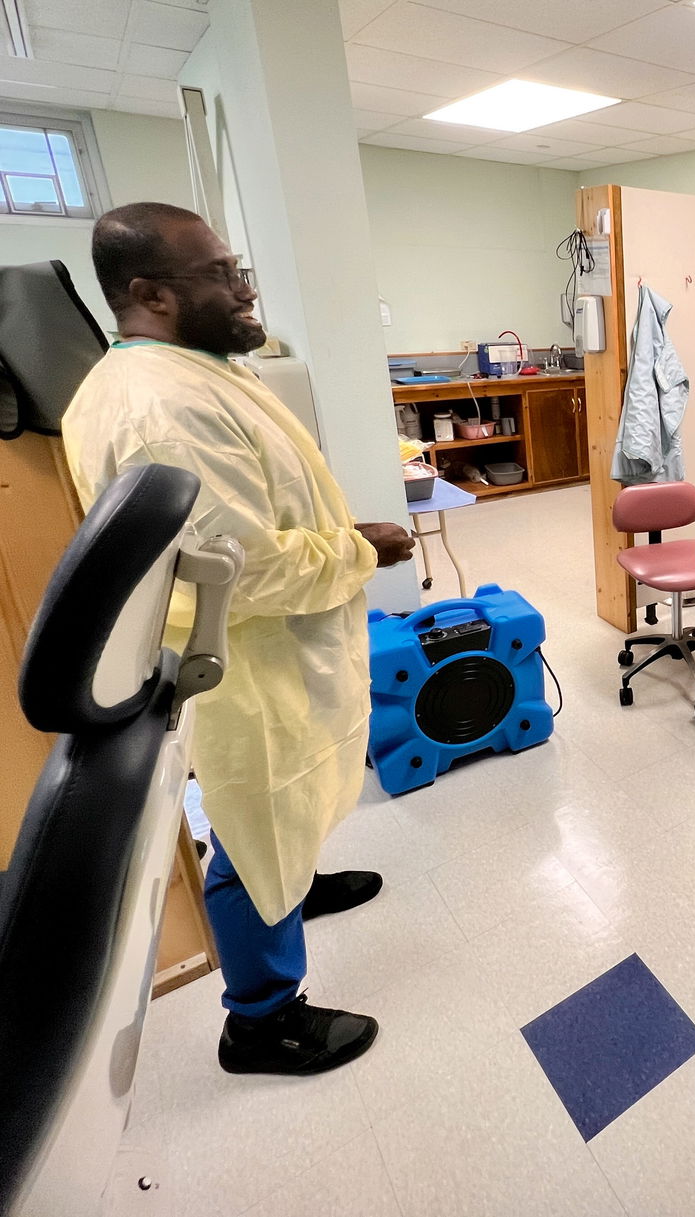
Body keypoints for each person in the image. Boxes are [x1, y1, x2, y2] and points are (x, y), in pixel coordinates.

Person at [63, 202, 416, 1076]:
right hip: (247, 664)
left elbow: (261, 500)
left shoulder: (189, 368)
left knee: (281, 813)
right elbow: (243, 567)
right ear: (151, 293)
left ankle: (294, 886)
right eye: (222, 274)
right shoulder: (162, 409)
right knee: (254, 820)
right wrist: (359, 548)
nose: (246, 288)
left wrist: (342, 530)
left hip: (277, 650)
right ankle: (261, 1019)